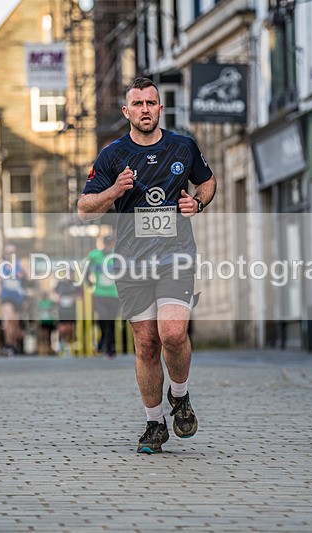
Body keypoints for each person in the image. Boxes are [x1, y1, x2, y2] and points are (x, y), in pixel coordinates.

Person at [77, 77, 217, 454]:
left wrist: (197, 203)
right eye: (137, 104)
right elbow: (84, 209)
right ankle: (154, 424)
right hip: (132, 263)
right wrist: (115, 190)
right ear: (127, 111)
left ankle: (180, 396)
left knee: (172, 333)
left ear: (160, 108)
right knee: (146, 343)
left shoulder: (183, 146)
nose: (145, 109)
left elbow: (207, 183)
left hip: (176, 256)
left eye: (150, 103)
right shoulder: (112, 156)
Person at [84, 234, 120, 358]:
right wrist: (88, 282)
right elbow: (85, 269)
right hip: (100, 293)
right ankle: (106, 344)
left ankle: (106, 344)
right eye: (106, 243)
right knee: (103, 317)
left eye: (111, 244)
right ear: (103, 243)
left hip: (114, 294)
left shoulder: (117, 255)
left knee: (111, 321)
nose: (108, 246)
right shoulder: (94, 255)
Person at [0, 244, 27, 356]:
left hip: (18, 297)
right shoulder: (1, 265)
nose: (10, 255)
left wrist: (23, 274)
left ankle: (14, 343)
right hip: (7, 296)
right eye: (8, 252)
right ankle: (8, 345)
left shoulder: (20, 264)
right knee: (9, 319)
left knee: (15, 322)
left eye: (12, 252)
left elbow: (29, 277)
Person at [54, 272, 80, 357]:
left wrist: (74, 297)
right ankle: (60, 343)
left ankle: (68, 346)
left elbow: (79, 294)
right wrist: (57, 298)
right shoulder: (59, 284)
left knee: (70, 328)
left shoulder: (74, 284)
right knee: (62, 328)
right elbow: (54, 294)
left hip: (71, 310)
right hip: (62, 310)